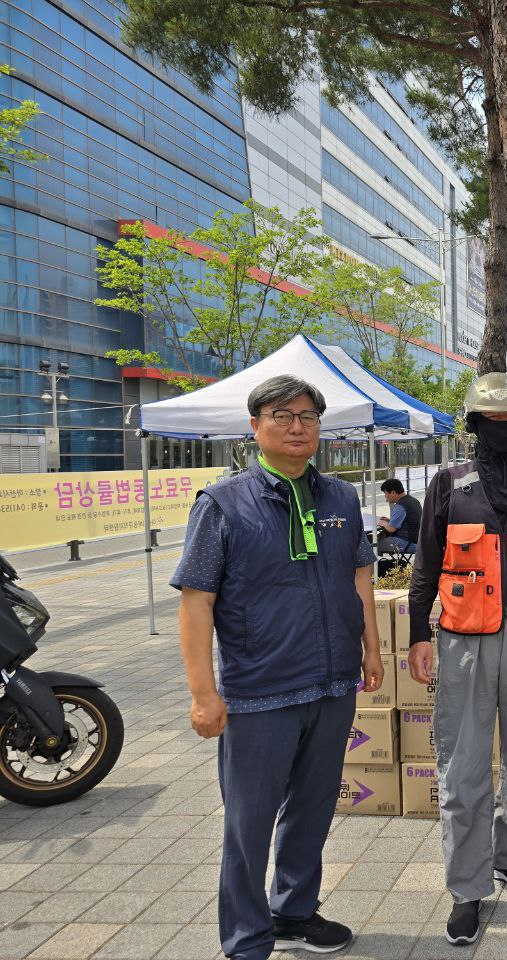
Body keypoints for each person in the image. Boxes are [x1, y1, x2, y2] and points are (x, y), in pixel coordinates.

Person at [171, 374, 383, 960]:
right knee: (249, 825)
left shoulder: (339, 498)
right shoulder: (223, 504)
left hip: (333, 681)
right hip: (259, 691)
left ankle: (294, 911)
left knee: (313, 809)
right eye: (281, 415)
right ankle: (245, 938)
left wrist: (371, 649)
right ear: (255, 426)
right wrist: (202, 694)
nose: (296, 426)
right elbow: (196, 599)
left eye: (308, 416)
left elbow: (359, 577)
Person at [405, 372, 507, 947]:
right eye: (491, 423)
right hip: (462, 644)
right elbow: (425, 564)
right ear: (474, 425)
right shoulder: (449, 485)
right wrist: (416, 636)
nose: (503, 432)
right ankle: (467, 889)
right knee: (464, 771)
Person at [376, 477, 420, 555]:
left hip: (406, 543)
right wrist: (389, 521)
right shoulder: (414, 501)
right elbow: (407, 522)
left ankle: (375, 567)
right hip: (417, 540)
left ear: (393, 492)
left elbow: (391, 529)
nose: (385, 497)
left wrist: (384, 523)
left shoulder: (400, 505)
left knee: (372, 543)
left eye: (386, 493)